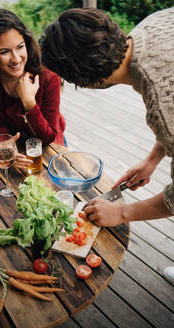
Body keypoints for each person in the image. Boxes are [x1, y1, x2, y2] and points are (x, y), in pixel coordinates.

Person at [40, 7, 174, 283]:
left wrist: (123, 212)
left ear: (85, 82)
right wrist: (153, 159)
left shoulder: (160, 102)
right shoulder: (150, 26)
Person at [0, 8, 66, 169]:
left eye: (20, 47)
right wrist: (5, 146)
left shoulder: (48, 77)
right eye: (4, 52)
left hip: (50, 148)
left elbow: (48, 138)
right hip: (17, 149)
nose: (16, 59)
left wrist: (29, 103)